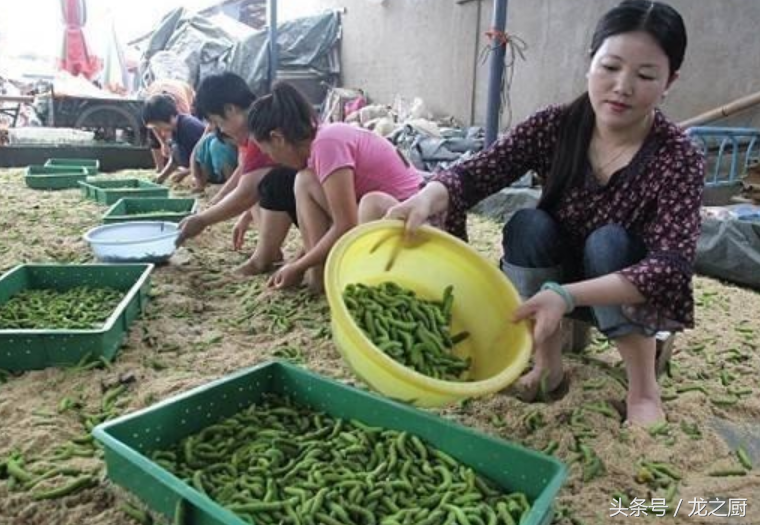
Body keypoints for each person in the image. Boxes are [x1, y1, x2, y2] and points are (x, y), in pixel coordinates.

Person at [385, 0, 703, 425]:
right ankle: (546, 363)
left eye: (645, 75)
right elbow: (480, 170)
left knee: (608, 241)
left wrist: (569, 295)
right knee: (527, 224)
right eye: (610, 67)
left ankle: (643, 388)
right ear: (590, 63)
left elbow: (670, 267)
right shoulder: (555, 125)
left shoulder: (679, 156)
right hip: (551, 276)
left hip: (621, 287)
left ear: (670, 82)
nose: (622, 86)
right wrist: (429, 197)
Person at [247, 82, 424, 292]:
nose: (272, 159)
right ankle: (319, 279)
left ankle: (356, 283)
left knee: (370, 203)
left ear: (278, 139)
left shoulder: (327, 144)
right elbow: (331, 221)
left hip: (414, 223)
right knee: (304, 181)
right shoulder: (317, 149)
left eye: (268, 152)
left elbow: (345, 224)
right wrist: (296, 263)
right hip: (389, 220)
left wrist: (299, 266)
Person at [176, 73, 298, 275]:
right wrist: (231, 208)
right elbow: (246, 175)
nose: (221, 130)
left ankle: (263, 259)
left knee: (268, 184)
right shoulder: (256, 124)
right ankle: (269, 252)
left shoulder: (260, 129)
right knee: (260, 186)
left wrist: (202, 220)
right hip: (309, 192)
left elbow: (246, 192)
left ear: (230, 109)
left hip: (317, 192)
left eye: (218, 122)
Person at [142, 94, 205, 185]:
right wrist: (161, 177)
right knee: (174, 148)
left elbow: (204, 159)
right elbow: (174, 159)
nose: (159, 130)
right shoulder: (175, 128)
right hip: (193, 168)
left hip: (208, 170)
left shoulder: (189, 127)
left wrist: (186, 172)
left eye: (158, 125)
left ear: (171, 117)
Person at [143, 78, 196, 172]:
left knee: (180, 141)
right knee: (154, 136)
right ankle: (159, 167)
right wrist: (163, 143)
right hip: (158, 88)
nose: (162, 132)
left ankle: (187, 167)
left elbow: (181, 133)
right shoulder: (152, 108)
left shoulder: (184, 114)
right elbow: (153, 126)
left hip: (181, 89)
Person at [190, 127, 238, 191]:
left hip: (237, 168)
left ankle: (231, 186)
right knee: (206, 140)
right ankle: (203, 182)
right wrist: (196, 177)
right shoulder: (212, 126)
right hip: (214, 175)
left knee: (217, 145)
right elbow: (197, 148)